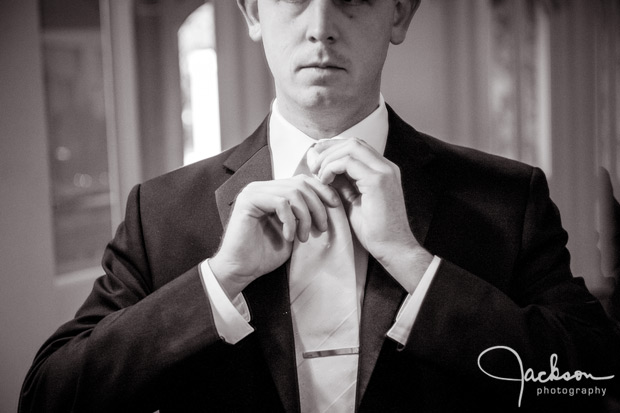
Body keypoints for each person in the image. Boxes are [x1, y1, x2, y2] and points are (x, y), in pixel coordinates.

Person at [20, 0, 620, 412]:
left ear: (400, 12)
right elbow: (49, 396)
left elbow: (594, 384)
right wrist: (220, 278)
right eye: (293, 0)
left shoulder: (508, 200)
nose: (321, 27)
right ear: (253, 12)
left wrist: (413, 262)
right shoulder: (160, 212)